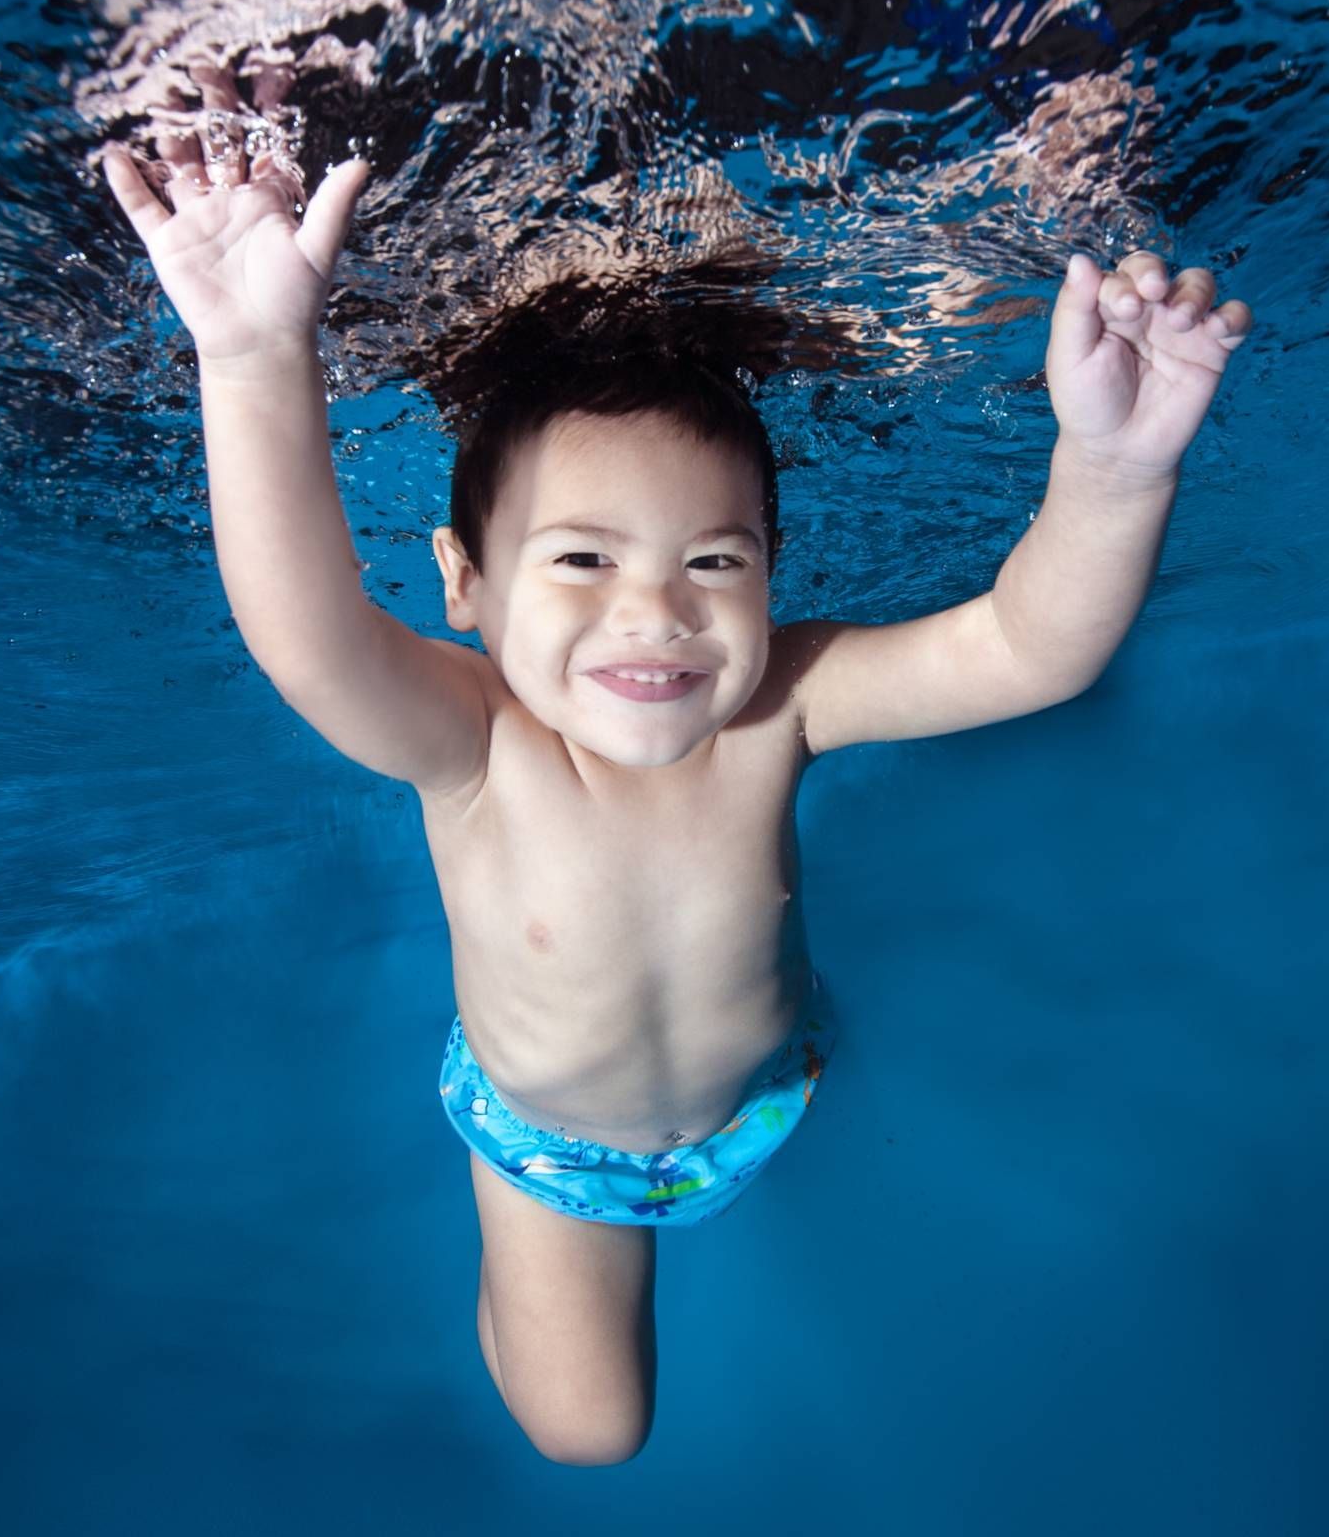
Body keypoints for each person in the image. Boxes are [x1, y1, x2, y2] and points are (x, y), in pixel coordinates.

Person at [102, 131, 1253, 1468]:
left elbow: (1028, 649)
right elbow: (309, 635)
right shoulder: (476, 743)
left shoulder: (785, 702)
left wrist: (1116, 470)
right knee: (591, 1428)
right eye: (582, 557)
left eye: (715, 558)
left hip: (769, 1083)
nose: (653, 612)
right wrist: (252, 359)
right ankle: (511, 1283)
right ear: (464, 583)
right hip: (551, 1143)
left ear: (771, 569)